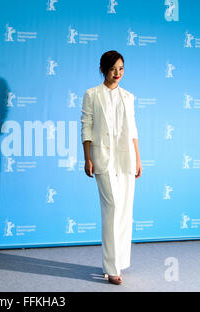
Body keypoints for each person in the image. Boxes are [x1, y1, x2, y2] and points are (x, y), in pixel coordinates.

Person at [81, 50, 142, 285]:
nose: (117, 73)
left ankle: (120, 262)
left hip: (125, 160)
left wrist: (137, 158)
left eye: (121, 68)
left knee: (125, 211)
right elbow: (86, 126)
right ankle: (111, 267)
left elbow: (133, 130)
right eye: (113, 68)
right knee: (112, 208)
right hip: (103, 159)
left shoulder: (128, 96)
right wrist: (87, 157)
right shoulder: (92, 94)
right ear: (103, 69)